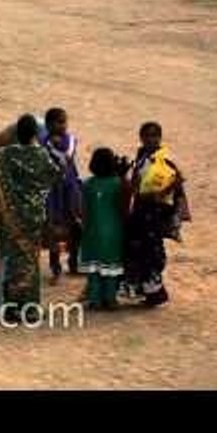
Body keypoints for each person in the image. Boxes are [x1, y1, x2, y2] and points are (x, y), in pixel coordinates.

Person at [0, 114, 64, 323]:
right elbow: (56, 175)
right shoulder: (41, 155)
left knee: (11, 258)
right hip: (33, 215)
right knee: (30, 260)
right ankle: (30, 308)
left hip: (9, 216)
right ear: (35, 134)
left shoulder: (3, 155)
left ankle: (11, 307)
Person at [123, 122, 189, 307]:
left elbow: (177, 182)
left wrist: (162, 192)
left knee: (152, 251)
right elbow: (137, 182)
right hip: (141, 209)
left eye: (154, 136)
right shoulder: (141, 156)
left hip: (155, 212)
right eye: (146, 136)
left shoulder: (165, 160)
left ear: (160, 137)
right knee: (140, 248)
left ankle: (156, 294)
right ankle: (149, 291)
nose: (150, 139)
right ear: (141, 138)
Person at [79, 147, 131, 310]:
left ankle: (95, 298)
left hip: (92, 231)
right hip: (113, 232)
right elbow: (124, 208)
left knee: (94, 268)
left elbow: (83, 211)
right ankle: (110, 298)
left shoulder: (87, 184)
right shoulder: (118, 184)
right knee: (111, 268)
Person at [42, 108, 82, 283]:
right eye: (59, 122)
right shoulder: (42, 144)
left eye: (64, 122)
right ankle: (55, 266)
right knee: (53, 228)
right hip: (52, 191)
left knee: (75, 225)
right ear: (49, 125)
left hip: (70, 188)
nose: (63, 125)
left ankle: (74, 261)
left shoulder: (71, 141)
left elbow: (67, 158)